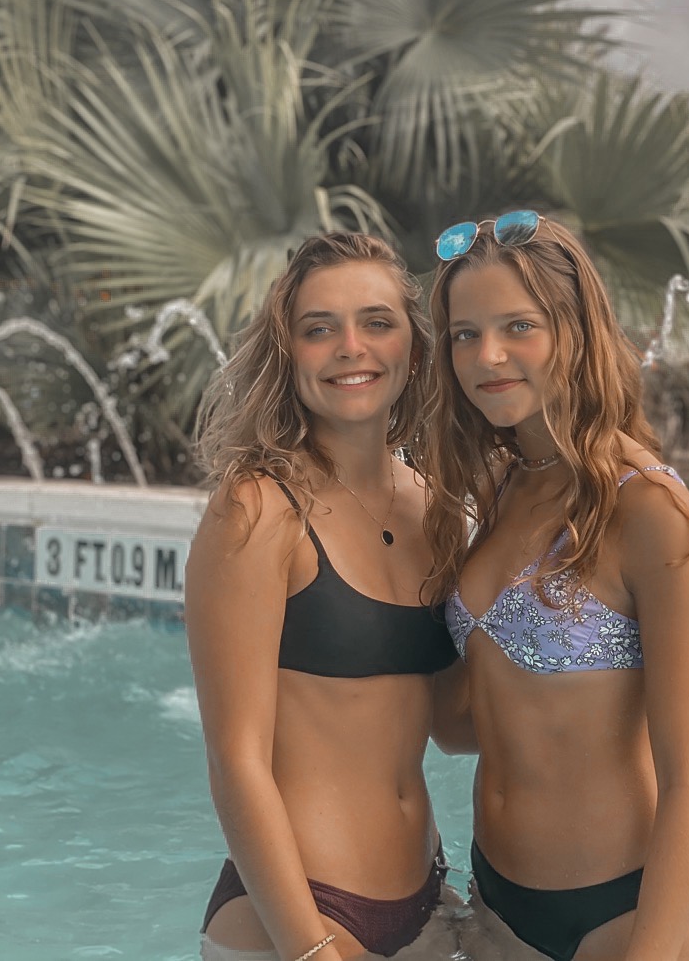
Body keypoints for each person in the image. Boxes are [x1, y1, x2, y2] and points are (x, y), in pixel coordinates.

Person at [422, 209, 689, 961]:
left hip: (627, 914)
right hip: (498, 905)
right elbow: (462, 730)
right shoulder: (503, 486)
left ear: (576, 330)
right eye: (464, 333)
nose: (488, 355)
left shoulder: (649, 509)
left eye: (518, 327)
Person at [185, 232, 468, 961]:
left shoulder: (433, 507)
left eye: (377, 322)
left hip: (426, 903)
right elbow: (235, 761)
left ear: (414, 347)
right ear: (289, 354)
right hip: (296, 917)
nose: (351, 347)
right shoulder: (257, 510)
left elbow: (453, 724)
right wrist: (310, 949)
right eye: (320, 329)